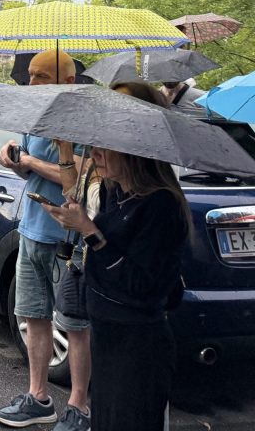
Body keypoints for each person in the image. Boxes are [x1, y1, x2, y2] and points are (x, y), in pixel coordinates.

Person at [43, 146, 190, 431]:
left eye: (105, 149)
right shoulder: (116, 193)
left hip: (137, 344)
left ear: (134, 152)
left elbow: (140, 283)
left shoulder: (161, 204)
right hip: (107, 335)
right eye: (95, 147)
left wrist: (90, 231)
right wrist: (78, 219)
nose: (95, 155)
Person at [0, 49, 91, 431]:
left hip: (66, 239)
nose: (31, 83)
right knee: (33, 317)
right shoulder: (34, 118)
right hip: (31, 230)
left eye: (40, 76)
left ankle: (79, 407)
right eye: (30, 75)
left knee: (74, 326)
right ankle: (38, 398)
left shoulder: (82, 121)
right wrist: (16, 162)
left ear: (67, 81)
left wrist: (33, 163)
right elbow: (32, 176)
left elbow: (80, 179)